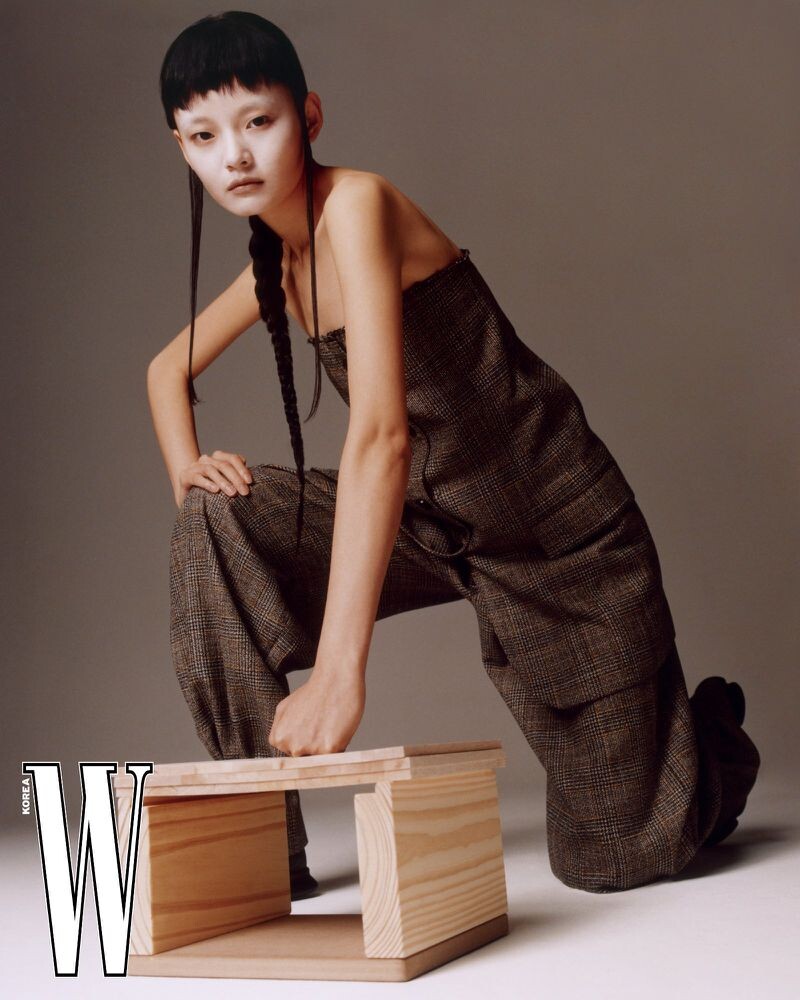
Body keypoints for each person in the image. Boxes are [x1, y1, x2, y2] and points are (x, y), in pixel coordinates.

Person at [147, 11, 760, 901]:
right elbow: (165, 370)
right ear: (183, 149)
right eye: (205, 136)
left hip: (552, 531)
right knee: (212, 518)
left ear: (308, 116)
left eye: (258, 121)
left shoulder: (358, 205)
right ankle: (260, 847)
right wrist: (187, 473)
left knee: (615, 858)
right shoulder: (275, 263)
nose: (235, 155)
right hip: (428, 526)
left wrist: (340, 674)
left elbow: (383, 436)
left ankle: (710, 747)